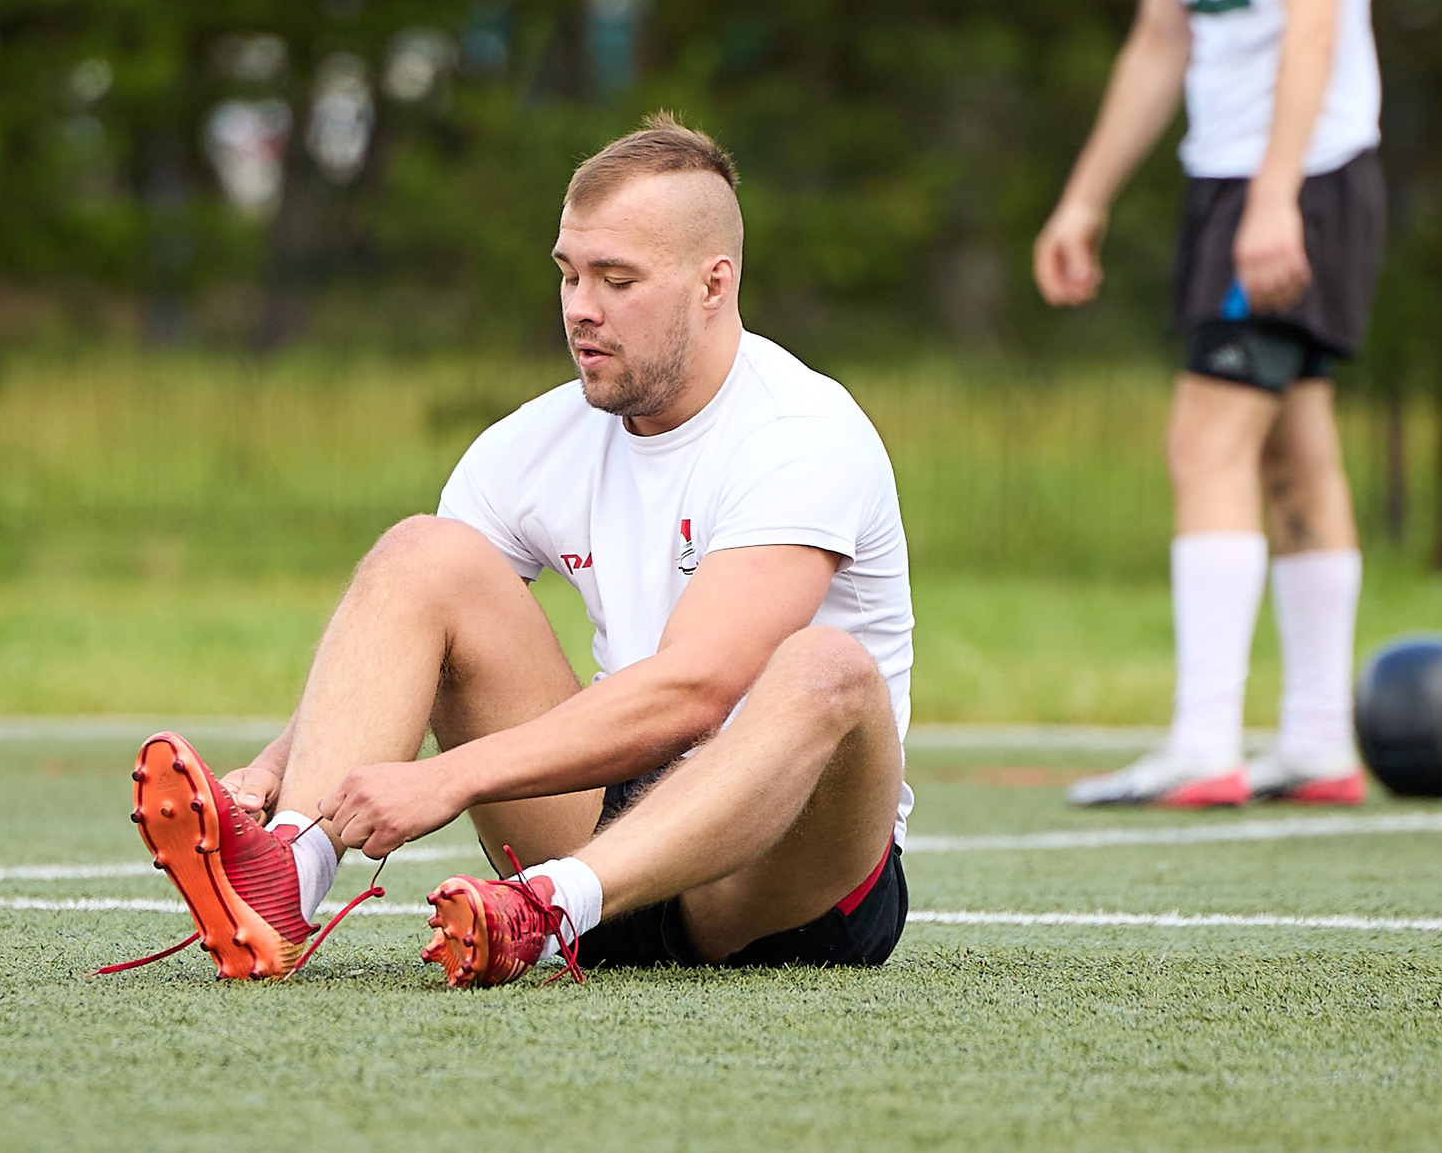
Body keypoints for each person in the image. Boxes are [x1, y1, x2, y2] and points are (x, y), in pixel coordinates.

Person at [111, 115, 914, 984]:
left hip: (779, 884)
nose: (580, 308)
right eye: (568, 274)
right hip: (599, 848)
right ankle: (288, 873)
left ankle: (547, 903)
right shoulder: (535, 440)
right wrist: (272, 777)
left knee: (828, 667)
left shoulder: (804, 432)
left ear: (713, 285)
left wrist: (450, 777)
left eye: (617, 279)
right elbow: (399, 639)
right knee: (423, 551)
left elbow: (697, 692)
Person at [1033, 0, 1385, 808]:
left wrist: (1276, 197)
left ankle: (1203, 739)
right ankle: (1323, 742)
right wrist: (1085, 196)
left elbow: (1315, 28)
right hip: (1223, 177)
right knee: (1294, 452)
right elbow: (1160, 37)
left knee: (1205, 442)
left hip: (1300, 174)